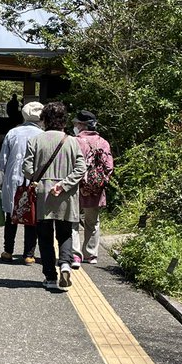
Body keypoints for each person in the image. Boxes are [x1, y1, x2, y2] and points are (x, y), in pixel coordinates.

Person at [22, 101, 85, 291]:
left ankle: (50, 277)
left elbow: (27, 168)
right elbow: (81, 168)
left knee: (45, 237)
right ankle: (65, 264)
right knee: (65, 233)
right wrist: (63, 185)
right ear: (63, 120)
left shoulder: (36, 141)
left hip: (43, 194)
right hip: (66, 195)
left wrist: (39, 179)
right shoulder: (72, 141)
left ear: (44, 120)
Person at [0, 100, 44, 263]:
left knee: (11, 215)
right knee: (31, 216)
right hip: (34, 180)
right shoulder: (42, 135)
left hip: (13, 179)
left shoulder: (13, 133)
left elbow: (3, 159)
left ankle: (8, 251)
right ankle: (28, 254)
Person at [70, 110, 114, 266]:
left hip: (76, 186)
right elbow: (109, 167)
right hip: (96, 189)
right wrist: (99, 181)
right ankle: (91, 254)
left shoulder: (74, 141)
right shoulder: (103, 142)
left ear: (81, 125)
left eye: (76, 123)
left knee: (73, 220)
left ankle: (75, 255)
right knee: (93, 222)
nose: (75, 126)